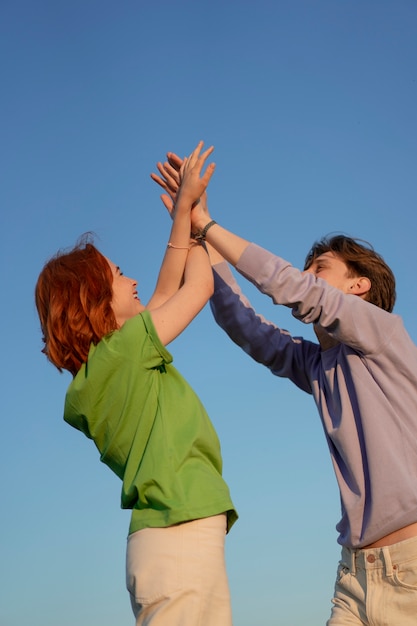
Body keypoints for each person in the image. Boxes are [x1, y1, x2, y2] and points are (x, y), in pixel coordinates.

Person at [152, 149, 417, 625]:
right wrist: (193, 230)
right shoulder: (319, 366)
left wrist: (210, 225)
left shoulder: (384, 334)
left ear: (358, 286)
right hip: (354, 576)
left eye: (321, 268)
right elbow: (246, 326)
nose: (307, 276)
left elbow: (294, 290)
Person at [35, 142, 237, 626]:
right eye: (118, 273)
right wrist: (195, 218)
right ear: (95, 302)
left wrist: (184, 221)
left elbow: (165, 290)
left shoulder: (103, 371)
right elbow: (196, 287)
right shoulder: (125, 353)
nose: (132, 279)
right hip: (179, 534)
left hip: (164, 541)